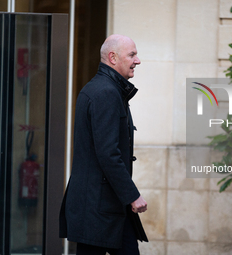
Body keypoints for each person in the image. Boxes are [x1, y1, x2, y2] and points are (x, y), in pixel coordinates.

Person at [59, 34, 148, 255]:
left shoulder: (106, 89)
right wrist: (132, 195)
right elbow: (108, 154)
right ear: (113, 57)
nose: (138, 60)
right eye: (132, 54)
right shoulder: (106, 93)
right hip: (98, 209)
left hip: (106, 206)